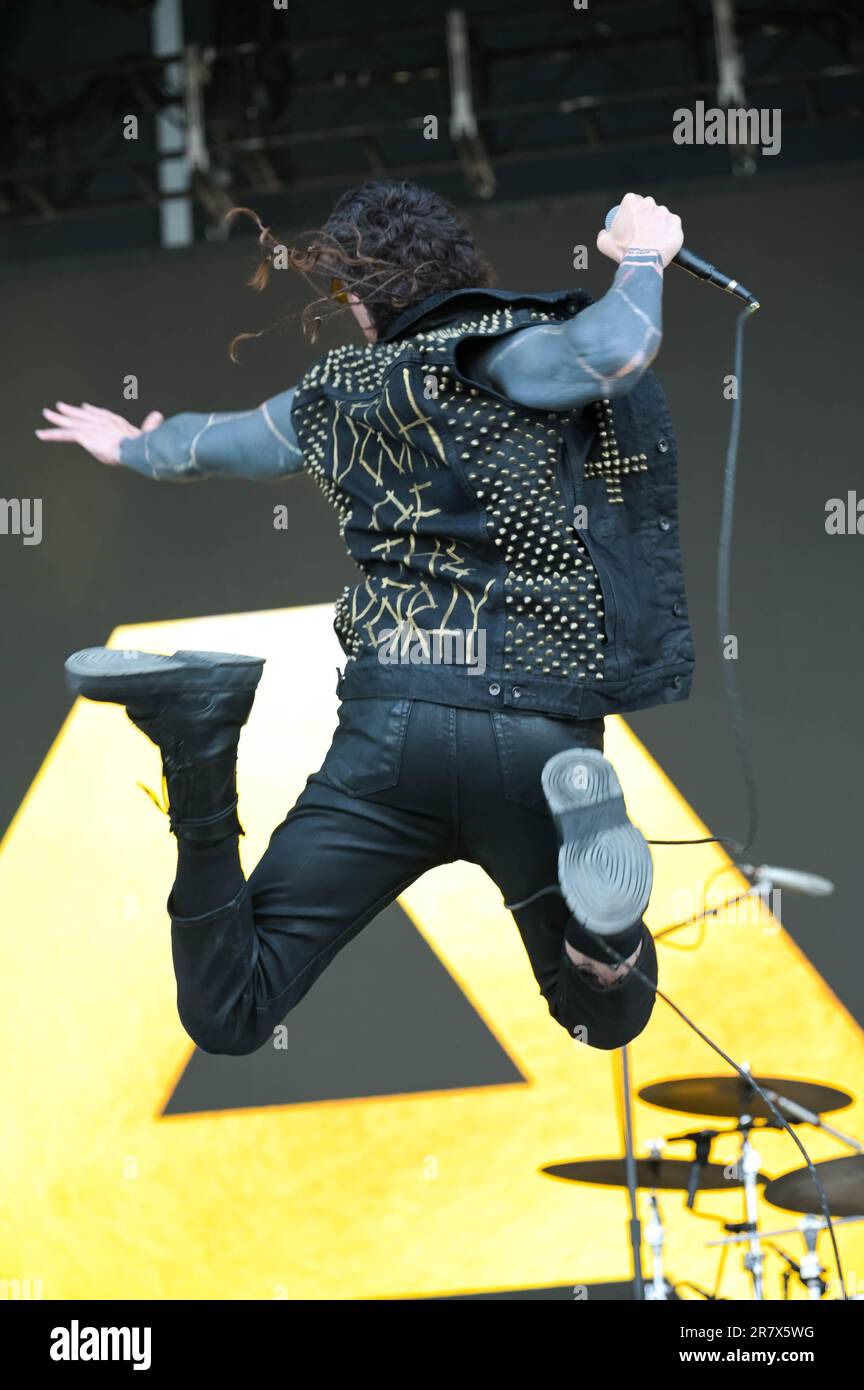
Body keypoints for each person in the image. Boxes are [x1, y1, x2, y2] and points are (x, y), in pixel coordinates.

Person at [37, 180, 690, 1056]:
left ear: (355, 299)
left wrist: (131, 446)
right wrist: (644, 255)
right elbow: (613, 350)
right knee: (606, 1015)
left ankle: (198, 747)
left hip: (393, 736)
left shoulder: (331, 391)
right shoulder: (502, 350)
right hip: (537, 739)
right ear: (462, 272)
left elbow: (214, 442)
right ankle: (602, 934)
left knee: (229, 1014)